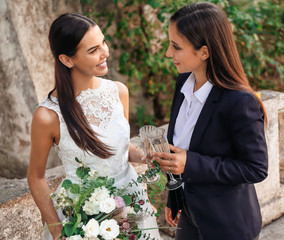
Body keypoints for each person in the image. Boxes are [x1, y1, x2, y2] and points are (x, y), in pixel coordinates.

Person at [27, 13, 160, 240]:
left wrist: (146, 156)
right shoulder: (47, 116)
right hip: (81, 214)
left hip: (131, 201)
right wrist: (57, 228)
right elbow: (36, 176)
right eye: (93, 50)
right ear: (67, 60)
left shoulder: (119, 91)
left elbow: (122, 148)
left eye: (103, 42)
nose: (105, 52)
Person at [153, 3, 268, 240]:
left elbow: (256, 168)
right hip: (189, 215)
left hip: (227, 224)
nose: (168, 52)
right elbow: (180, 150)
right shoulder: (183, 82)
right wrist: (174, 197)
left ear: (204, 52)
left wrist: (191, 164)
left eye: (176, 46)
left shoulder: (239, 102)